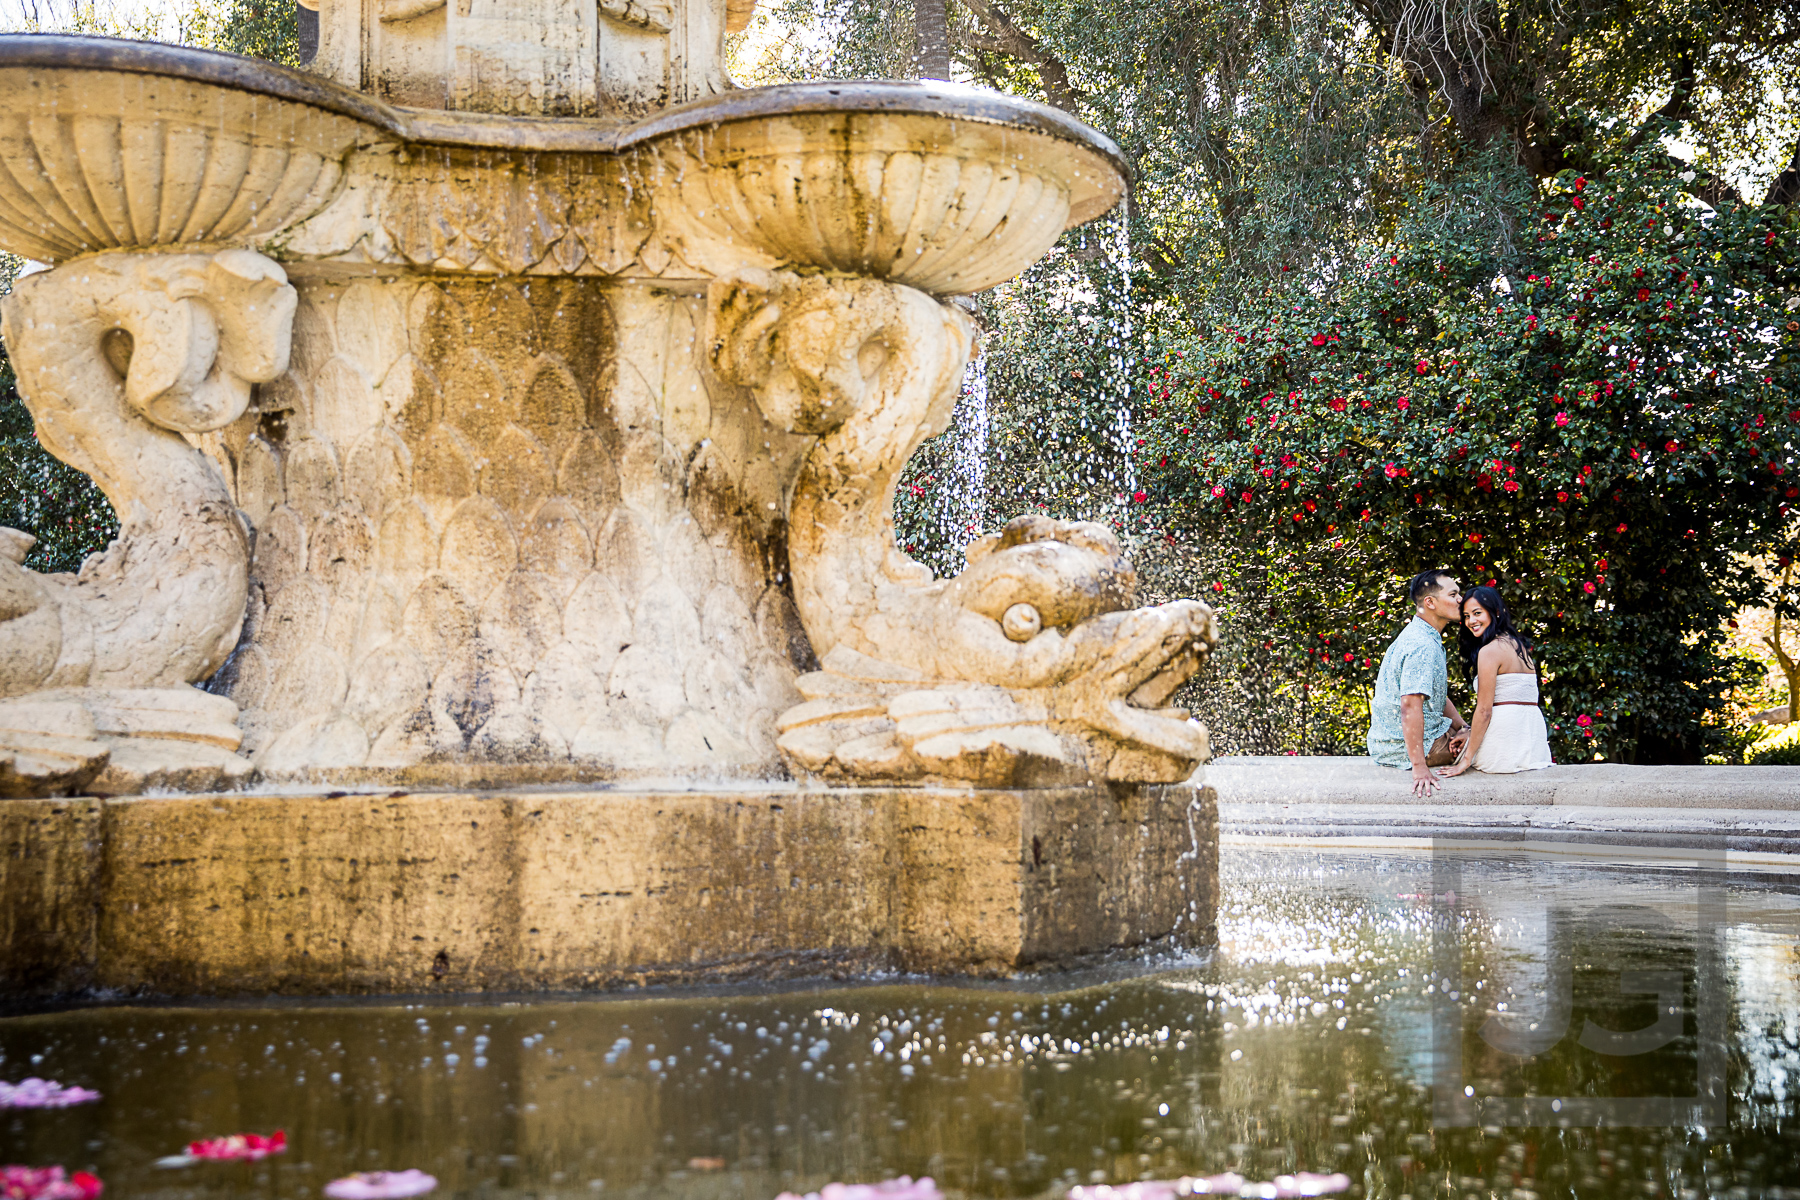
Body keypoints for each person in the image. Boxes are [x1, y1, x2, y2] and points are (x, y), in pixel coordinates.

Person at [1367, 569, 1469, 796]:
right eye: (1453, 595)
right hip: (1406, 748)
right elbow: (1410, 705)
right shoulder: (1422, 645)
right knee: (1493, 746)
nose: (1461, 600)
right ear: (1430, 602)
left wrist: (1463, 727)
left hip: (1394, 743)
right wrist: (1420, 767)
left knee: (1473, 734)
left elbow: (1435, 695)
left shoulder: (1421, 635)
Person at [1437, 586, 1553, 775]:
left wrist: (1465, 761)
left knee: (1442, 747)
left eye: (1477, 613)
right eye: (1466, 616)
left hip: (1505, 742)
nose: (1471, 621)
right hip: (1532, 740)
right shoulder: (1517, 645)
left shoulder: (1490, 651)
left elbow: (1484, 711)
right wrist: (1470, 732)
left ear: (1495, 612)